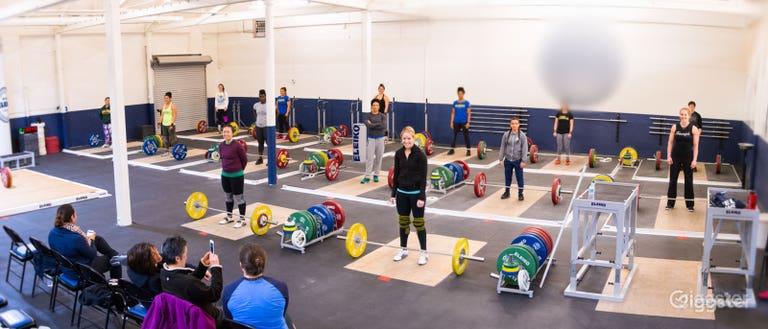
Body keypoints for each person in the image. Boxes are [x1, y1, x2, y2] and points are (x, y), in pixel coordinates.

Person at [48, 204, 122, 281]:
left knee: (98, 239)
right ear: (72, 217)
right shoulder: (76, 238)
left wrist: (92, 239)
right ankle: (115, 286)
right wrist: (91, 240)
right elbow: (92, 254)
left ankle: (113, 253)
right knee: (114, 259)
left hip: (67, 267)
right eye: (75, 214)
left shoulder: (52, 233)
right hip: (82, 270)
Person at [223, 243, 289, 329]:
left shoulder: (229, 291)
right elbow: (283, 313)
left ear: (241, 265)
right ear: (263, 263)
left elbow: (229, 321)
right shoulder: (281, 287)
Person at [160, 236, 223, 325]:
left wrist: (203, 265)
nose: (186, 257)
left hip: (183, 315)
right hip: (203, 318)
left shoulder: (164, 273)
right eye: (185, 254)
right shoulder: (189, 283)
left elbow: (187, 282)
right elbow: (215, 294)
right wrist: (215, 267)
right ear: (177, 258)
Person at [390, 126, 429, 265]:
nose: (406, 141)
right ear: (401, 140)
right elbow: (396, 176)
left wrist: (421, 197)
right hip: (401, 193)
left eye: (409, 138)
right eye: (404, 139)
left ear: (414, 139)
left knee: (419, 223)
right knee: (403, 222)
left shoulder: (420, 155)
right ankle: (403, 249)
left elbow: (424, 178)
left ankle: (424, 252)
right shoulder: (399, 154)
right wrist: (393, 193)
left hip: (415, 194)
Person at [666, 107, 700, 212]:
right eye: (682, 114)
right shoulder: (674, 127)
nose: (683, 116)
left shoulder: (694, 129)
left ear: (689, 116)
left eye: (685, 114)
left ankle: (690, 205)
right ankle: (670, 203)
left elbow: (695, 146)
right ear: (679, 115)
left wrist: (694, 160)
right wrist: (668, 156)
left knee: (689, 181)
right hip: (675, 157)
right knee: (672, 180)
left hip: (688, 158)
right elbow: (670, 142)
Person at [218, 125, 248, 228]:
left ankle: (242, 219)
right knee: (228, 196)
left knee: (239, 197)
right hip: (225, 175)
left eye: (228, 132)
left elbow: (244, 159)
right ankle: (229, 216)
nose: (226, 134)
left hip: (237, 176)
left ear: (232, 133)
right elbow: (222, 158)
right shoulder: (221, 145)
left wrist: (239, 170)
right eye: (224, 132)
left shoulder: (237, 145)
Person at [498, 117, 528, 201]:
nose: (514, 125)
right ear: (510, 124)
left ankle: (520, 194)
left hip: (518, 161)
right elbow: (502, 147)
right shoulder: (506, 135)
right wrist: (501, 159)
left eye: (516, 124)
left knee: (519, 178)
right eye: (513, 124)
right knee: (507, 177)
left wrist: (523, 160)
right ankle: (507, 192)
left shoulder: (522, 135)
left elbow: (525, 149)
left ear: (519, 125)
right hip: (508, 160)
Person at [361, 100, 386, 184]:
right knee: (369, 158)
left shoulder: (383, 116)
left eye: (377, 105)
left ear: (379, 107)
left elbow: (383, 126)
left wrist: (372, 125)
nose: (375, 107)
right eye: (374, 105)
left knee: (379, 158)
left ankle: (376, 175)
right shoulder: (367, 116)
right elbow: (368, 125)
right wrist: (377, 124)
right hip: (371, 139)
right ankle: (367, 176)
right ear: (371, 106)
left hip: (380, 139)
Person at [449, 87, 471, 156]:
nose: (460, 95)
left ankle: (468, 150)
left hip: (464, 122)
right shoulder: (455, 103)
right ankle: (452, 149)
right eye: (458, 94)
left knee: (466, 136)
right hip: (456, 122)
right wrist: (451, 122)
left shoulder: (467, 103)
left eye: (461, 94)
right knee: (454, 136)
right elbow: (453, 113)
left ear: (463, 94)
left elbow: (469, 113)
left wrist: (468, 122)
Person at [159, 91, 178, 157]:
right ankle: (167, 151)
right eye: (165, 98)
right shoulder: (164, 106)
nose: (165, 99)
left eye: (167, 98)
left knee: (172, 139)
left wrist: (172, 124)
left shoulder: (172, 106)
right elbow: (162, 115)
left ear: (170, 98)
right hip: (164, 124)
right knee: (165, 139)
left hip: (170, 125)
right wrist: (159, 122)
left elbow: (174, 115)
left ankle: (174, 151)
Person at [253, 89, 268, 165]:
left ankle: (270, 159)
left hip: (266, 126)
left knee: (269, 143)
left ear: (265, 96)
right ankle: (260, 158)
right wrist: (257, 120)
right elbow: (254, 112)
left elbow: (276, 114)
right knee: (260, 143)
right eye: (260, 96)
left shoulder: (269, 105)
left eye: (263, 96)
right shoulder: (256, 105)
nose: (261, 98)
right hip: (258, 126)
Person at [688, 101, 702, 172]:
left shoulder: (698, 115)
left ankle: (693, 166)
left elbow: (700, 127)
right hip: (687, 135)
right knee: (685, 150)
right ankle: (683, 165)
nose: (691, 107)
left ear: (694, 107)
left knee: (694, 150)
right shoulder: (686, 114)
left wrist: (698, 135)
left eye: (692, 106)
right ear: (688, 106)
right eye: (690, 106)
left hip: (695, 135)